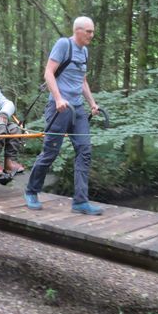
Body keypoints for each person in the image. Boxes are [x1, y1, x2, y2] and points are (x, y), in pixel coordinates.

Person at [25, 16, 102, 215]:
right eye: (89, 31)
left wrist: (92, 103)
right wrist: (58, 98)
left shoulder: (85, 51)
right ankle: (31, 191)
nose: (92, 35)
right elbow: (48, 73)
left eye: (92, 32)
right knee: (50, 152)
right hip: (58, 108)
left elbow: (82, 80)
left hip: (78, 110)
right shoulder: (63, 45)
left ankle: (80, 202)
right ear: (78, 30)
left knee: (84, 152)